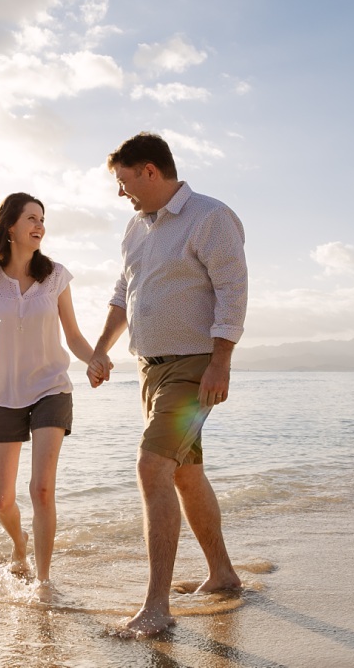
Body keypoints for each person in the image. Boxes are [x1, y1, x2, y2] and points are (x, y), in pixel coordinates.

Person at [86, 132, 247, 637]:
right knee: (183, 473)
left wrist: (221, 361)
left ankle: (156, 606)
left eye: (124, 180)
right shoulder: (136, 227)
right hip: (150, 369)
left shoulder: (209, 216)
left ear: (150, 171)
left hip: (194, 365)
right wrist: (101, 348)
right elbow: (123, 292)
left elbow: (232, 289)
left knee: (152, 465)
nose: (121, 192)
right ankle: (222, 574)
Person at [0, 192, 96, 584]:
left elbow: (73, 335)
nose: (40, 226)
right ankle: (19, 546)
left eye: (42, 220)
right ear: (11, 226)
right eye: (32, 219)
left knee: (41, 489)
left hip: (51, 388)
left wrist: (95, 359)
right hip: (3, 394)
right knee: (1, 499)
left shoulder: (55, 275)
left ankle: (43, 582)